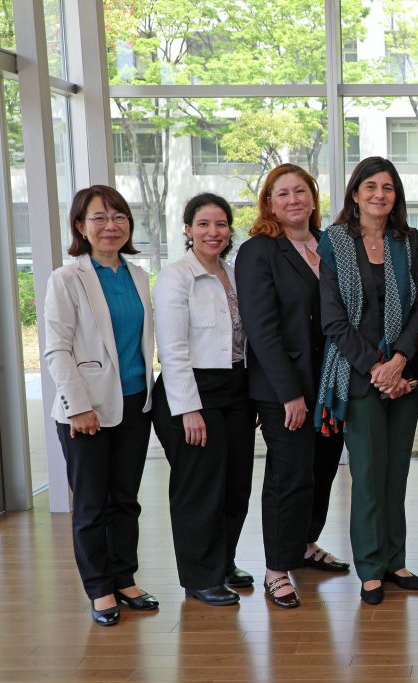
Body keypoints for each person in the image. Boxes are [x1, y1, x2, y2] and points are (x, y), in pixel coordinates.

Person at [235, 164, 349, 610]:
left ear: (314, 198)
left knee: (323, 470)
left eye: (301, 191)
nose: (293, 199)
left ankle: (305, 543)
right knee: (289, 476)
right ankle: (276, 568)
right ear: (269, 203)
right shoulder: (258, 252)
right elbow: (261, 331)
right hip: (286, 389)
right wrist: (289, 394)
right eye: (282, 194)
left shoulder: (330, 246)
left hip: (332, 383)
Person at [44, 185, 158, 626]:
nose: (111, 226)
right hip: (86, 410)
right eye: (99, 218)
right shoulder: (67, 279)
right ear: (80, 226)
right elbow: (56, 349)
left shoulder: (139, 275)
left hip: (134, 404)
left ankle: (124, 577)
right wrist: (77, 406)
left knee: (125, 500)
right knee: (91, 503)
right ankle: (99, 588)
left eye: (119, 217)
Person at [316, 156, 418, 606]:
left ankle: (395, 558)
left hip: (404, 373)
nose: (380, 194)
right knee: (366, 472)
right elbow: (332, 319)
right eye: (371, 186)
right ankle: (370, 565)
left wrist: (399, 360)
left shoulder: (409, 239)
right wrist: (375, 368)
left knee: (396, 472)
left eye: (388, 187)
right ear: (356, 192)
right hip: (358, 374)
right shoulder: (335, 241)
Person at [151, 194, 255, 606]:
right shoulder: (177, 277)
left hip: (235, 388)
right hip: (192, 390)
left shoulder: (232, 273)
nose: (213, 232)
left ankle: (223, 563)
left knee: (235, 486)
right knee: (200, 490)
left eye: (221, 224)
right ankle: (200, 577)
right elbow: (172, 349)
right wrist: (188, 409)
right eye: (204, 224)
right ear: (188, 229)